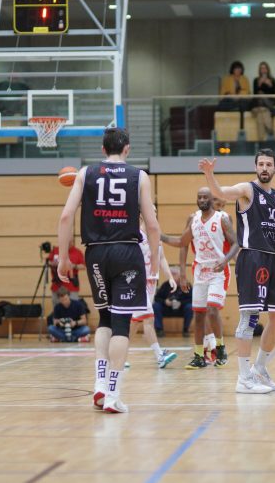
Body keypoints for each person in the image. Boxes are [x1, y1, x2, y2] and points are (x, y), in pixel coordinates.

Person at [57, 127, 160, 414]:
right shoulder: (139, 176)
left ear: (103, 150)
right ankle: (113, 394)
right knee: (121, 323)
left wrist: (63, 258)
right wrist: (153, 259)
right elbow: (151, 224)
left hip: (96, 253)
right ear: (127, 148)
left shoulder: (84, 173)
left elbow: (66, 216)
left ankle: (99, 383)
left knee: (103, 315)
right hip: (127, 252)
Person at [199, 149, 275, 394]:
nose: (264, 168)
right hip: (252, 257)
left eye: (269, 164)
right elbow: (221, 193)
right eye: (260, 164)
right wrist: (210, 175)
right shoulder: (248, 190)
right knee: (250, 317)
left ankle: (259, 369)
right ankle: (243, 378)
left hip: (272, 259)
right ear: (256, 167)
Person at [162, 187, 240, 369]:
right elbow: (182, 243)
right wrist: (182, 273)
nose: (202, 199)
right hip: (200, 271)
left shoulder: (223, 219)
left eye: (206, 197)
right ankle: (198, 356)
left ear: (212, 200)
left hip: (219, 271)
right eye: (200, 197)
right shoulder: (193, 219)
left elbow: (236, 243)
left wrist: (227, 260)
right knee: (198, 315)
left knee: (212, 310)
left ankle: (220, 348)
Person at [131, 213, 179, 369]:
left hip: (151, 282)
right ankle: (159, 356)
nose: (154, 212)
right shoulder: (135, 233)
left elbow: (162, 258)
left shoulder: (155, 232)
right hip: (138, 282)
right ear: (141, 215)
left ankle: (117, 353)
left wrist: (170, 276)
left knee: (135, 322)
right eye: (150, 209)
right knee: (149, 318)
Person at [152, 266, 194, 338]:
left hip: (181, 309)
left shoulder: (186, 285)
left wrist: (181, 303)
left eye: (175, 274)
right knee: (156, 306)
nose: (173, 276)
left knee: (190, 307)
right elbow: (157, 298)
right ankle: (159, 330)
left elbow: (191, 299)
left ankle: (186, 330)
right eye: (172, 274)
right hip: (167, 308)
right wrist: (165, 301)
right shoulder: (165, 285)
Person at [251, 61, 275, 140]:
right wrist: (259, 84)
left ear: (268, 69)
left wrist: (270, 85)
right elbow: (255, 94)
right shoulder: (256, 80)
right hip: (259, 104)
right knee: (261, 111)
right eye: (261, 68)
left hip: (270, 102)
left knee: (261, 94)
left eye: (265, 68)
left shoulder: (272, 80)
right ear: (259, 70)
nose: (263, 70)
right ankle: (269, 128)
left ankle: (260, 139)